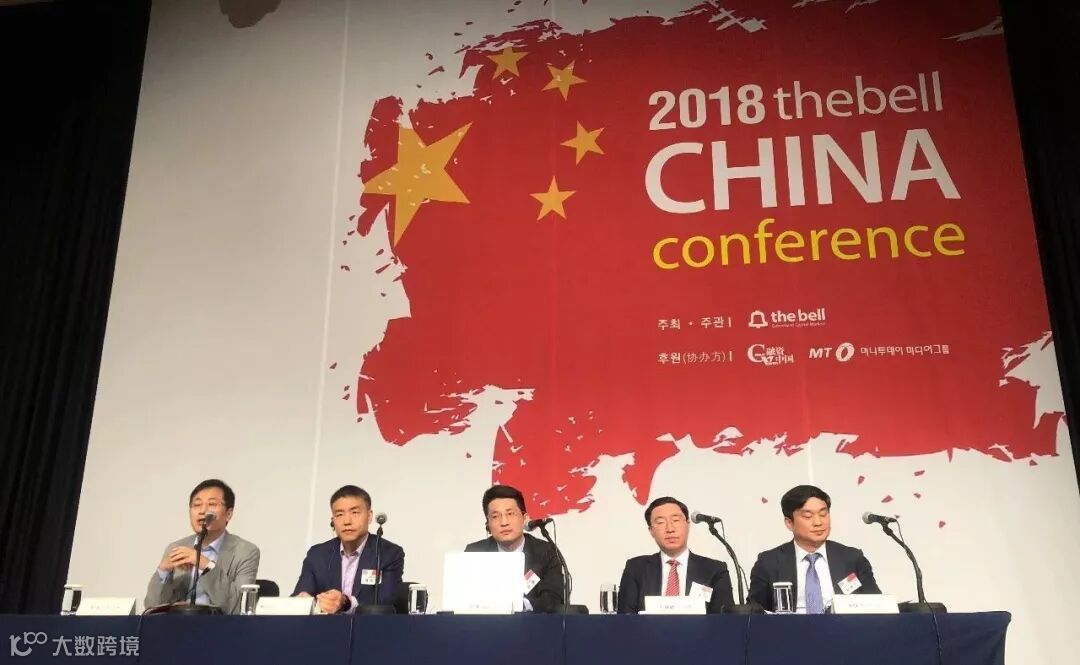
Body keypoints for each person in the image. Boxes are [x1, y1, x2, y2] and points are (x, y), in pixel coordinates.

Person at [748, 484, 881, 613]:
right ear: (789, 523)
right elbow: (753, 613)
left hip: (843, 627)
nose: (818, 522)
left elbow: (878, 607)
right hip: (789, 628)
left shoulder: (852, 558)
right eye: (808, 516)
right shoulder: (769, 563)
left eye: (823, 514)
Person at [145, 479, 260, 614]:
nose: (203, 510)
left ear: (228, 514)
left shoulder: (245, 551)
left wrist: (207, 566)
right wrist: (163, 571)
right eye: (197, 505)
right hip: (178, 624)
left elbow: (240, 608)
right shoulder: (176, 548)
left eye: (212, 504)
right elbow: (151, 608)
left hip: (221, 626)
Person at [292, 485, 404, 614]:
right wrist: (304, 602)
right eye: (339, 514)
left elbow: (385, 603)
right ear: (333, 520)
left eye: (355, 512)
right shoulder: (317, 555)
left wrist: (346, 603)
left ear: (369, 516)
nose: (347, 521)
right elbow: (300, 596)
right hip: (324, 625)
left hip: (369, 625)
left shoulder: (388, 554)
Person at [616, 496, 734, 613]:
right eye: (661, 522)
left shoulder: (714, 570)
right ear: (651, 531)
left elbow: (724, 620)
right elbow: (625, 619)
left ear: (688, 525)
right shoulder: (636, 569)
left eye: (676, 520)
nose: (670, 529)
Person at [464, 485, 564, 613]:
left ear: (524, 518)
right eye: (495, 516)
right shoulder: (475, 552)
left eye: (510, 514)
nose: (504, 522)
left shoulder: (545, 552)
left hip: (532, 624)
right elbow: (464, 598)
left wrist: (520, 605)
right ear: (488, 524)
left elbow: (554, 599)